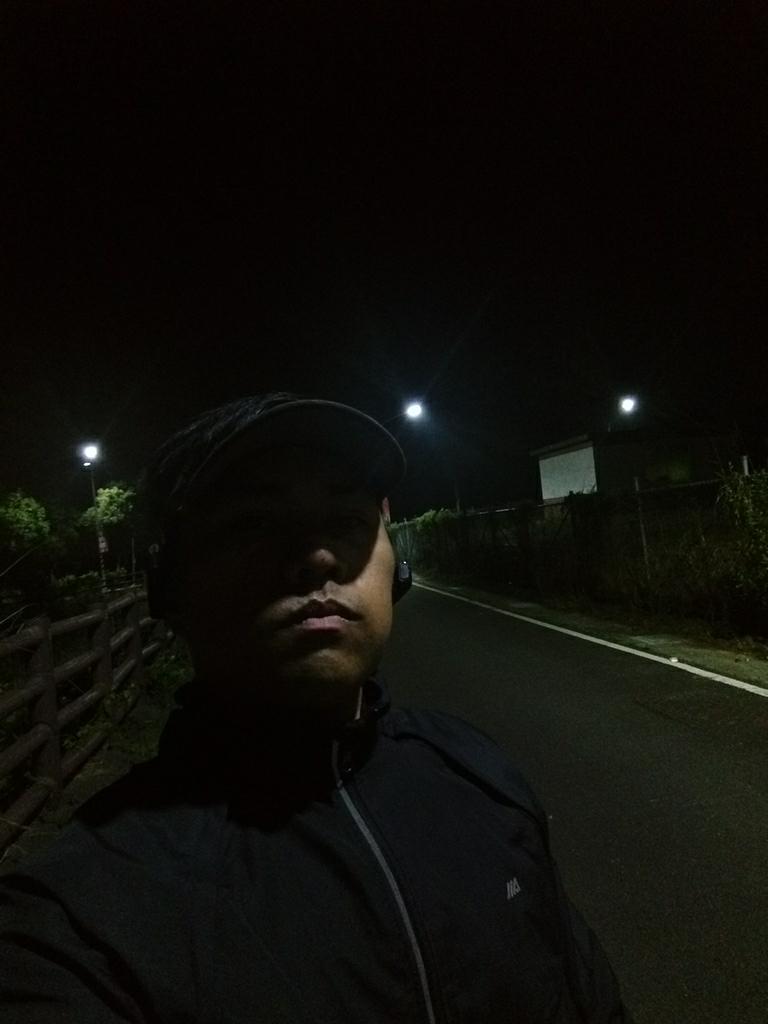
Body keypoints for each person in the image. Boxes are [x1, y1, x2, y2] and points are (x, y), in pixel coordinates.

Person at [0, 392, 632, 1022]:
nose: (319, 556)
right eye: (253, 525)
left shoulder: (478, 773)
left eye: (347, 520)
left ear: (396, 567)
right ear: (170, 584)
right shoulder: (79, 926)